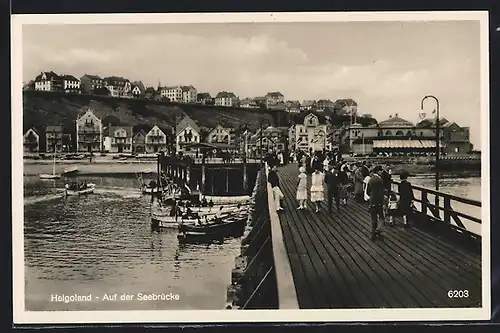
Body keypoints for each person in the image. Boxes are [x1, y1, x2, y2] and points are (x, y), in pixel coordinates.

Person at [366, 165, 386, 240]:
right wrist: (383, 203)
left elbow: (368, 191)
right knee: (381, 217)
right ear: (378, 171)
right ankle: (378, 231)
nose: (381, 172)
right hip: (379, 202)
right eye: (381, 170)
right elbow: (381, 193)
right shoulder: (380, 180)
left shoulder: (371, 179)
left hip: (372, 201)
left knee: (373, 218)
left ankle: (373, 234)